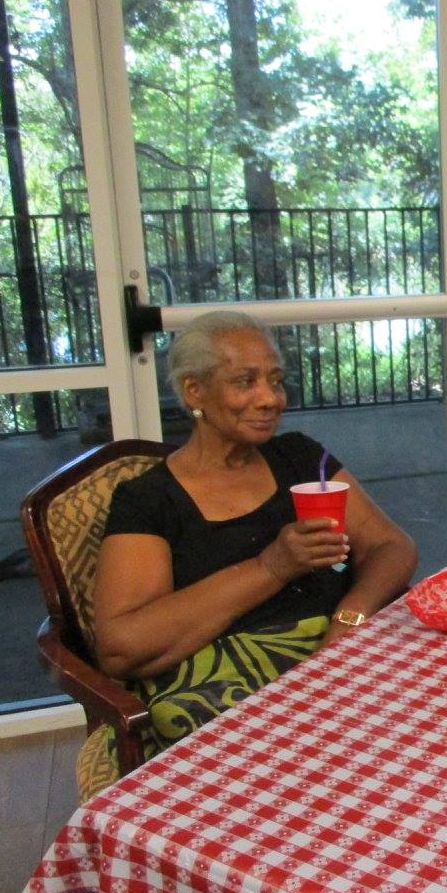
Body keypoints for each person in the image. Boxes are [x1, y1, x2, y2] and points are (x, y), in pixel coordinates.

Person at [92, 311, 417, 761]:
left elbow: (392, 546)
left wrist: (350, 620)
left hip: (341, 657)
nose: (270, 399)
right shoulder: (150, 500)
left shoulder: (301, 459)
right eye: (245, 382)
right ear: (194, 391)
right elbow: (121, 648)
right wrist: (273, 566)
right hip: (233, 691)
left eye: (276, 381)